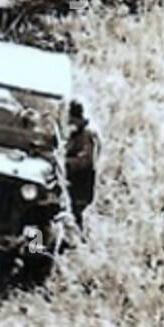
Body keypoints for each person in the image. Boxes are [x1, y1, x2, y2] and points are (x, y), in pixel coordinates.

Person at [65, 99, 101, 232]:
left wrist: (63, 162)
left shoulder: (87, 135)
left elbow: (85, 161)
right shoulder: (78, 133)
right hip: (76, 182)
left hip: (81, 182)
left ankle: (77, 244)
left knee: (74, 215)